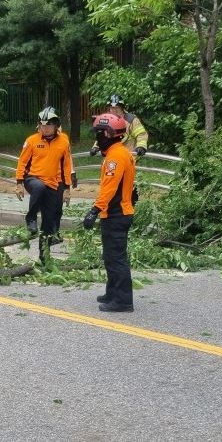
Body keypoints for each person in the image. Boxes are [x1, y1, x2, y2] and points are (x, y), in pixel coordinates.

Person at [83, 113, 136, 312]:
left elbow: (110, 188)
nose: (97, 139)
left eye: (98, 134)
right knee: (110, 256)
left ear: (108, 133)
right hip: (118, 212)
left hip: (116, 213)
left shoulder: (115, 157)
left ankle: (122, 301)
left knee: (116, 258)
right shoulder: (120, 153)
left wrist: (94, 210)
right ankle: (112, 292)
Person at [15, 107, 75, 264]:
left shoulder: (64, 141)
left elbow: (67, 166)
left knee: (50, 221)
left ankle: (44, 257)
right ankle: (31, 218)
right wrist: (19, 183)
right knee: (39, 187)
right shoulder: (32, 141)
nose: (45, 128)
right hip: (32, 179)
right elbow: (22, 162)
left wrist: (67, 189)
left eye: (48, 125)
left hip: (54, 183)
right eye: (42, 125)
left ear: (56, 125)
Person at [90, 94, 148, 159]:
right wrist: (96, 147)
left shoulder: (131, 119)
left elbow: (141, 134)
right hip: (112, 156)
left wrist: (141, 146)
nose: (114, 110)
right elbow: (103, 136)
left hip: (128, 157)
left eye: (117, 107)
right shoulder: (108, 120)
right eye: (112, 108)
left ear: (122, 108)